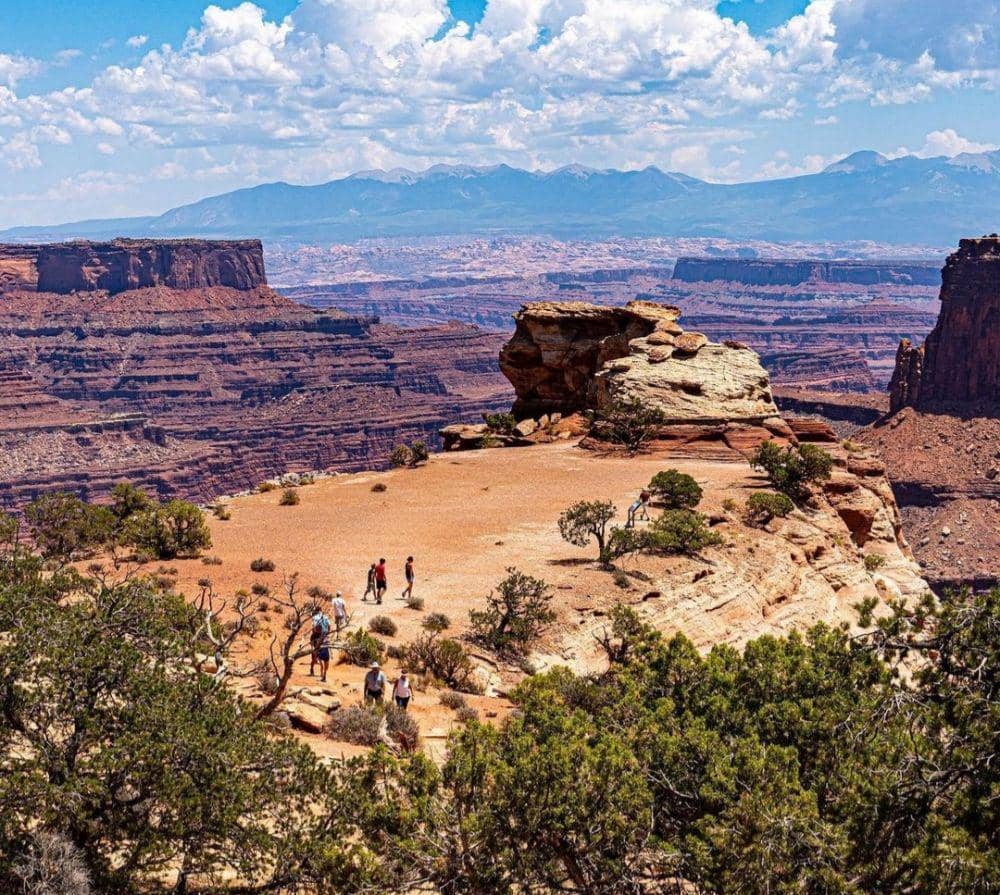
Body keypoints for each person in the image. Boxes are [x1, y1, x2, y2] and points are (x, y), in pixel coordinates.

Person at [309, 605, 331, 677]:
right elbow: (329, 626)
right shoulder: (325, 617)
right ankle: (321, 672)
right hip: (322, 636)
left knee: (314, 655)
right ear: (321, 610)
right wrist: (327, 633)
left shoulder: (315, 618)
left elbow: (313, 628)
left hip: (316, 636)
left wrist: (315, 632)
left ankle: (312, 669)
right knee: (321, 653)